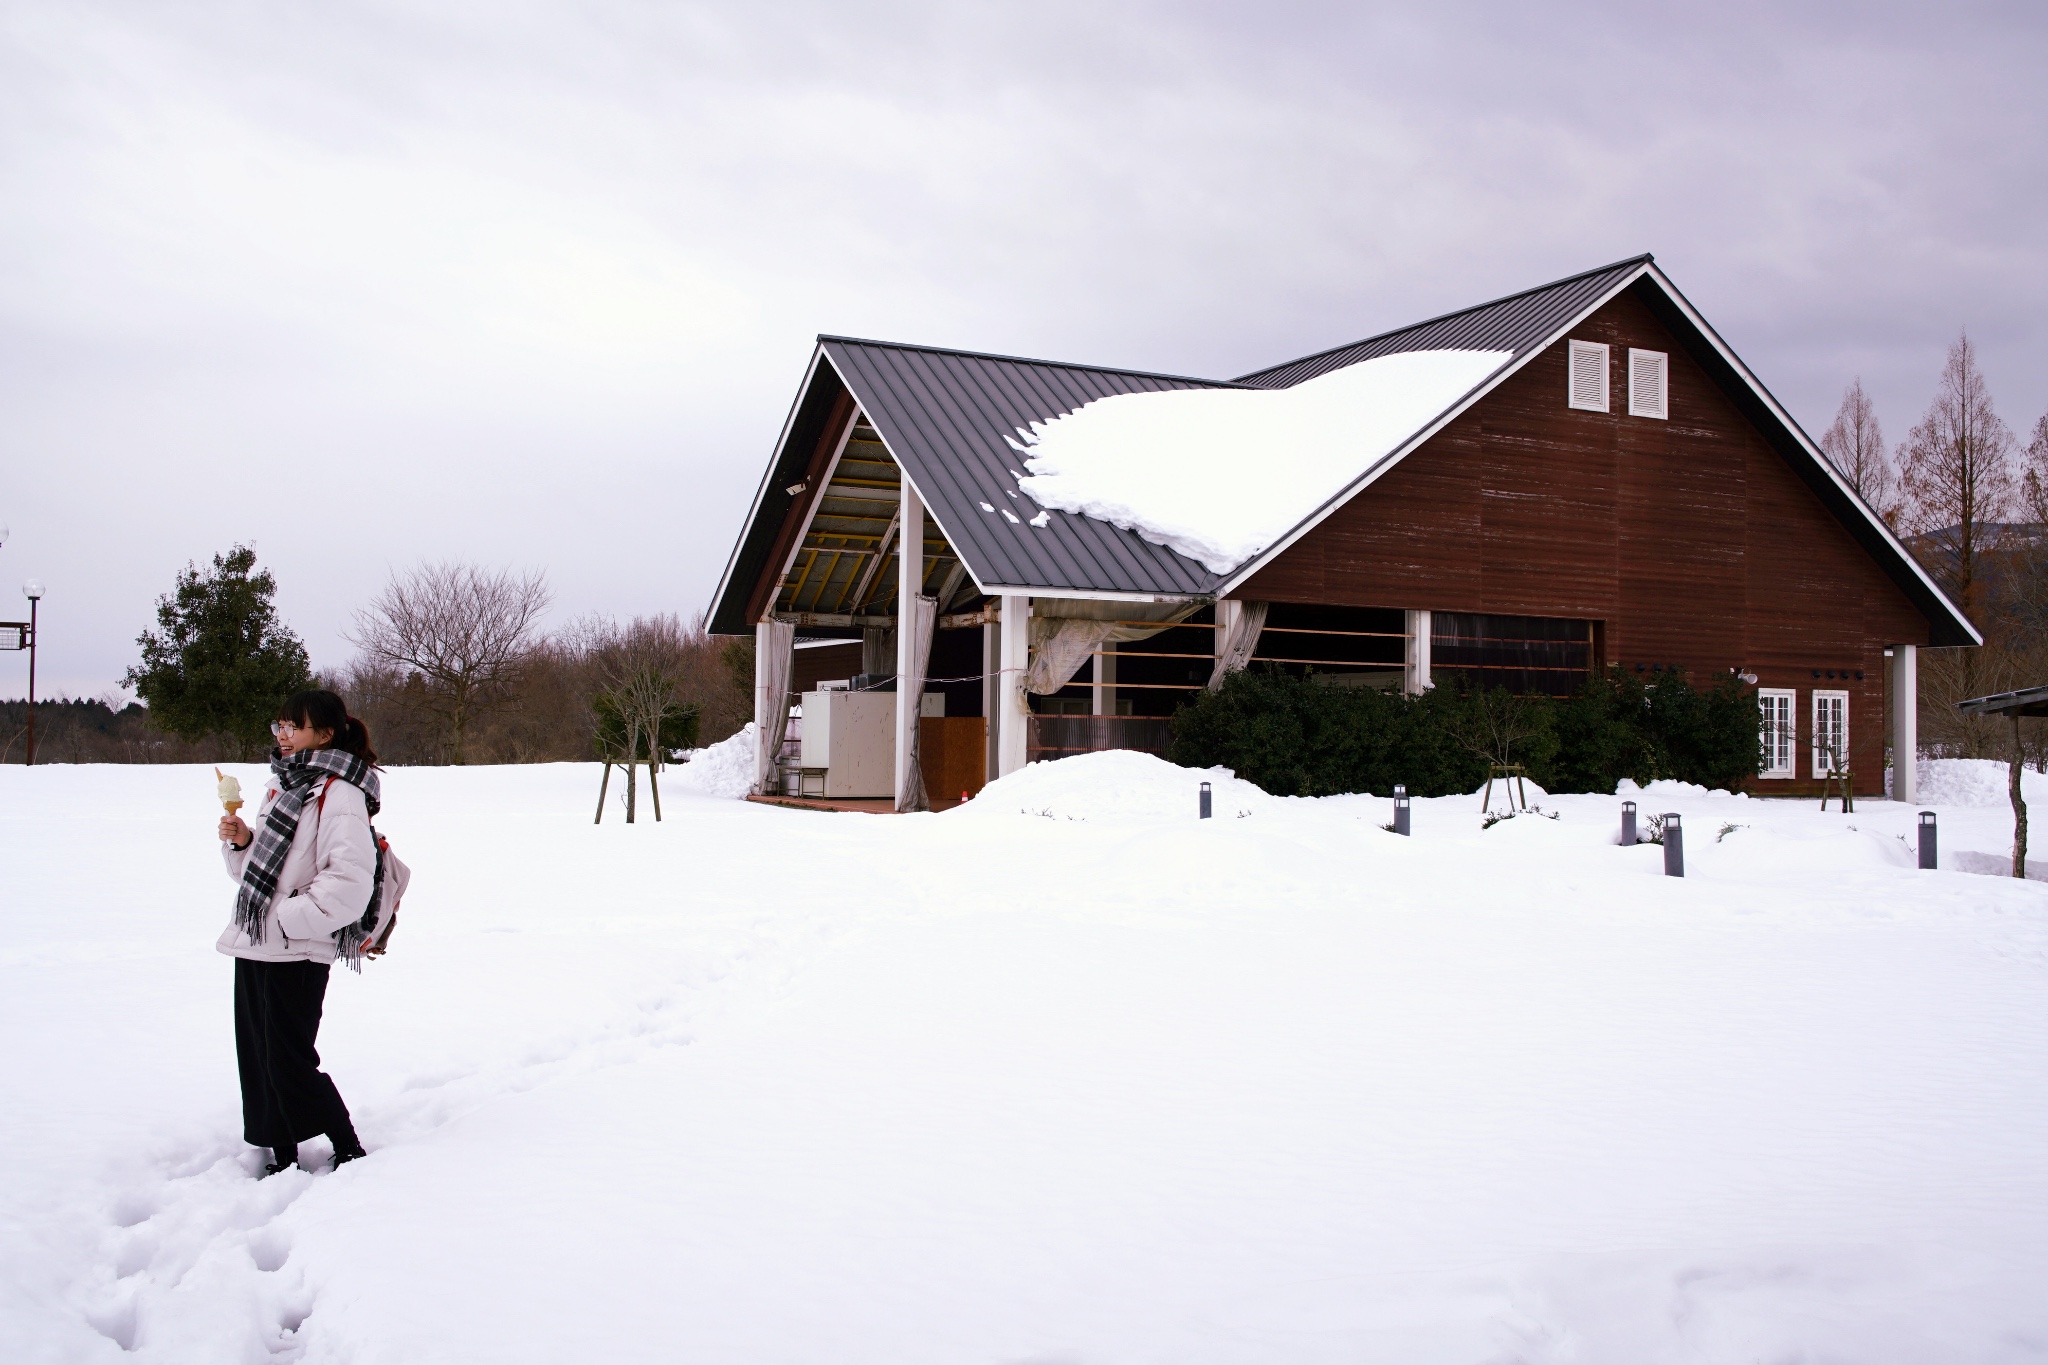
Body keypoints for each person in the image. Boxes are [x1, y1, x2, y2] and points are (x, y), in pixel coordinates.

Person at [217, 688, 380, 1176]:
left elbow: (349, 882)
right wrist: (243, 843)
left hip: (298, 947)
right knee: (259, 1057)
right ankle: (283, 1153)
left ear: (325, 734)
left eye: (294, 727)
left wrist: (288, 918)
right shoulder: (282, 787)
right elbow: (256, 874)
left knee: (289, 1059)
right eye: (279, 726)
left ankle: (347, 1145)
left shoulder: (341, 793)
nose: (283, 736)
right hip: (256, 942)